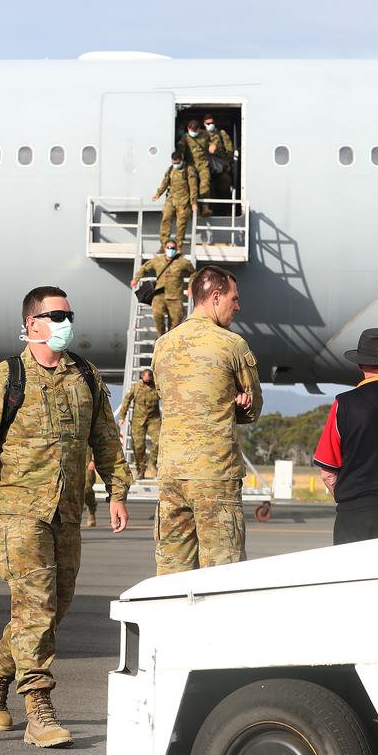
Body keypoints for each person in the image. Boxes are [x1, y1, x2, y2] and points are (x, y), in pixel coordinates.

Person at [0, 286, 131, 748]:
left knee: (55, 607)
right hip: (20, 510)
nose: (66, 321)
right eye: (56, 315)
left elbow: (106, 438)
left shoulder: (85, 376)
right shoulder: (7, 377)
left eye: (70, 313)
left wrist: (117, 490)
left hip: (68, 510)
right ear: (32, 324)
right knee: (36, 608)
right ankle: (39, 709)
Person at [152, 266, 262, 575]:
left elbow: (167, 397)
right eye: (233, 298)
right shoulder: (232, 345)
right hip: (215, 475)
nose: (237, 306)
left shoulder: (163, 344)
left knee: (171, 572)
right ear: (215, 297)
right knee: (221, 574)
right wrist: (239, 407)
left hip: (172, 474)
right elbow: (254, 409)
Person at [313, 328, 378, 545]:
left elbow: (327, 472)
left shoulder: (343, 404)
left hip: (354, 517)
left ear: (360, 365)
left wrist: (350, 498)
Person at [130, 240, 195, 338]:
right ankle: (160, 336)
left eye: (173, 248)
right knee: (157, 315)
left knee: (176, 321)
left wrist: (191, 286)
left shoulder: (183, 262)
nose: (170, 250)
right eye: (168, 248)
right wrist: (136, 279)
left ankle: (170, 339)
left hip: (175, 297)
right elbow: (145, 267)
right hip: (159, 295)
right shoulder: (157, 261)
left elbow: (193, 273)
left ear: (176, 249)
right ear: (164, 248)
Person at [119, 368, 161, 480]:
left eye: (149, 378)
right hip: (138, 420)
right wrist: (122, 416)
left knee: (158, 441)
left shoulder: (156, 386)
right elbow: (127, 399)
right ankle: (140, 470)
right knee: (138, 446)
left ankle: (152, 464)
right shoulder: (137, 387)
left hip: (154, 419)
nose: (147, 380)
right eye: (145, 378)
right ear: (142, 377)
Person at [151, 150, 198, 251]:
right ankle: (164, 245)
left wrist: (193, 202)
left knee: (181, 224)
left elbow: (193, 187)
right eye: (174, 163)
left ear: (181, 160)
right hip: (171, 199)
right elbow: (165, 182)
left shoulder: (189, 170)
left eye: (177, 163)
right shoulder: (170, 169)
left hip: (183, 201)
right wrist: (158, 194)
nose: (175, 164)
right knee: (166, 219)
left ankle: (178, 245)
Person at [181, 119, 212, 215]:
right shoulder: (185, 138)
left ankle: (205, 207)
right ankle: (194, 205)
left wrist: (213, 145)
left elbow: (213, 141)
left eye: (196, 131)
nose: (194, 133)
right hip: (191, 164)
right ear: (188, 128)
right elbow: (181, 151)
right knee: (192, 184)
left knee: (205, 183)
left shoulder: (205, 134)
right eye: (192, 131)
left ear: (199, 129)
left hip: (203, 163)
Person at [204, 113, 234, 204]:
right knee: (206, 193)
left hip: (221, 169)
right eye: (208, 124)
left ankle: (225, 212)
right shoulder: (201, 135)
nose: (210, 125)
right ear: (204, 124)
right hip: (206, 170)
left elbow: (229, 151)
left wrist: (228, 162)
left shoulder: (221, 134)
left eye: (212, 123)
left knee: (224, 189)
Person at [84, 448, 97, 527]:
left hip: (87, 463)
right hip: (70, 462)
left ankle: (91, 511)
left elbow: (97, 441)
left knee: (87, 488)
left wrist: (93, 460)